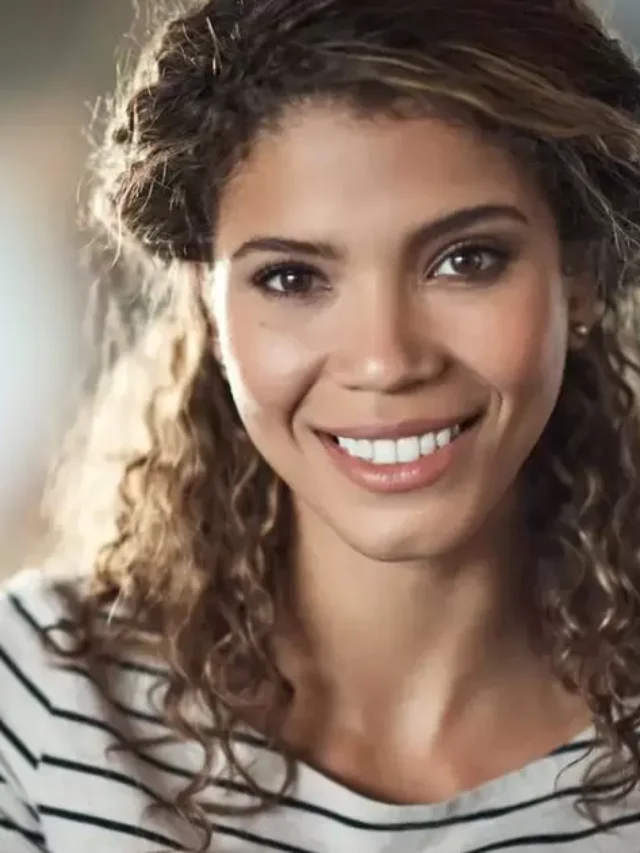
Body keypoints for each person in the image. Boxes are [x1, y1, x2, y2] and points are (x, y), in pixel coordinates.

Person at [2, 0, 640, 850]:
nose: (384, 359)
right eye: (294, 277)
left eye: (467, 260)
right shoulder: (38, 705)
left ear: (578, 275)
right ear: (205, 301)